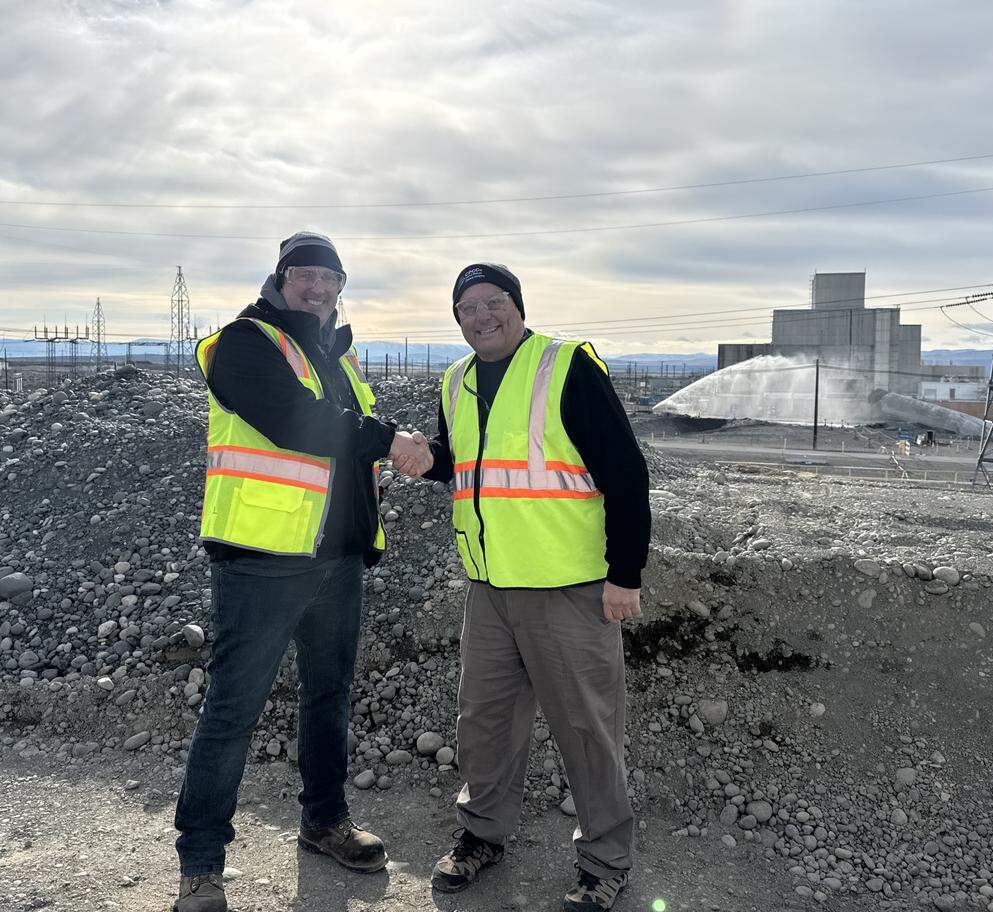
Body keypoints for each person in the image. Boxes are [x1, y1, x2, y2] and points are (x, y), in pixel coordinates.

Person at [173, 232, 428, 912]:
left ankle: (324, 820)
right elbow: (298, 423)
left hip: (338, 561)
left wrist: (429, 453)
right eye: (305, 275)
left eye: (330, 278)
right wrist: (390, 440)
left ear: (341, 287)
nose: (318, 288)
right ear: (281, 279)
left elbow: (361, 428)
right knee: (232, 712)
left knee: (328, 698)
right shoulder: (244, 344)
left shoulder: (335, 358)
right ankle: (201, 866)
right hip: (262, 564)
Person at [393, 263, 650, 912]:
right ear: (456, 320)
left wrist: (625, 574)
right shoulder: (455, 380)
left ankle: (604, 862)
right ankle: (481, 837)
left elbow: (626, 472)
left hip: (570, 590)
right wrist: (428, 460)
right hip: (489, 590)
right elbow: (471, 467)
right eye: (467, 308)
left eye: (493, 302)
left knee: (587, 732)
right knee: (484, 725)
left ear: (517, 306)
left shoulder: (564, 367)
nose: (481, 316)